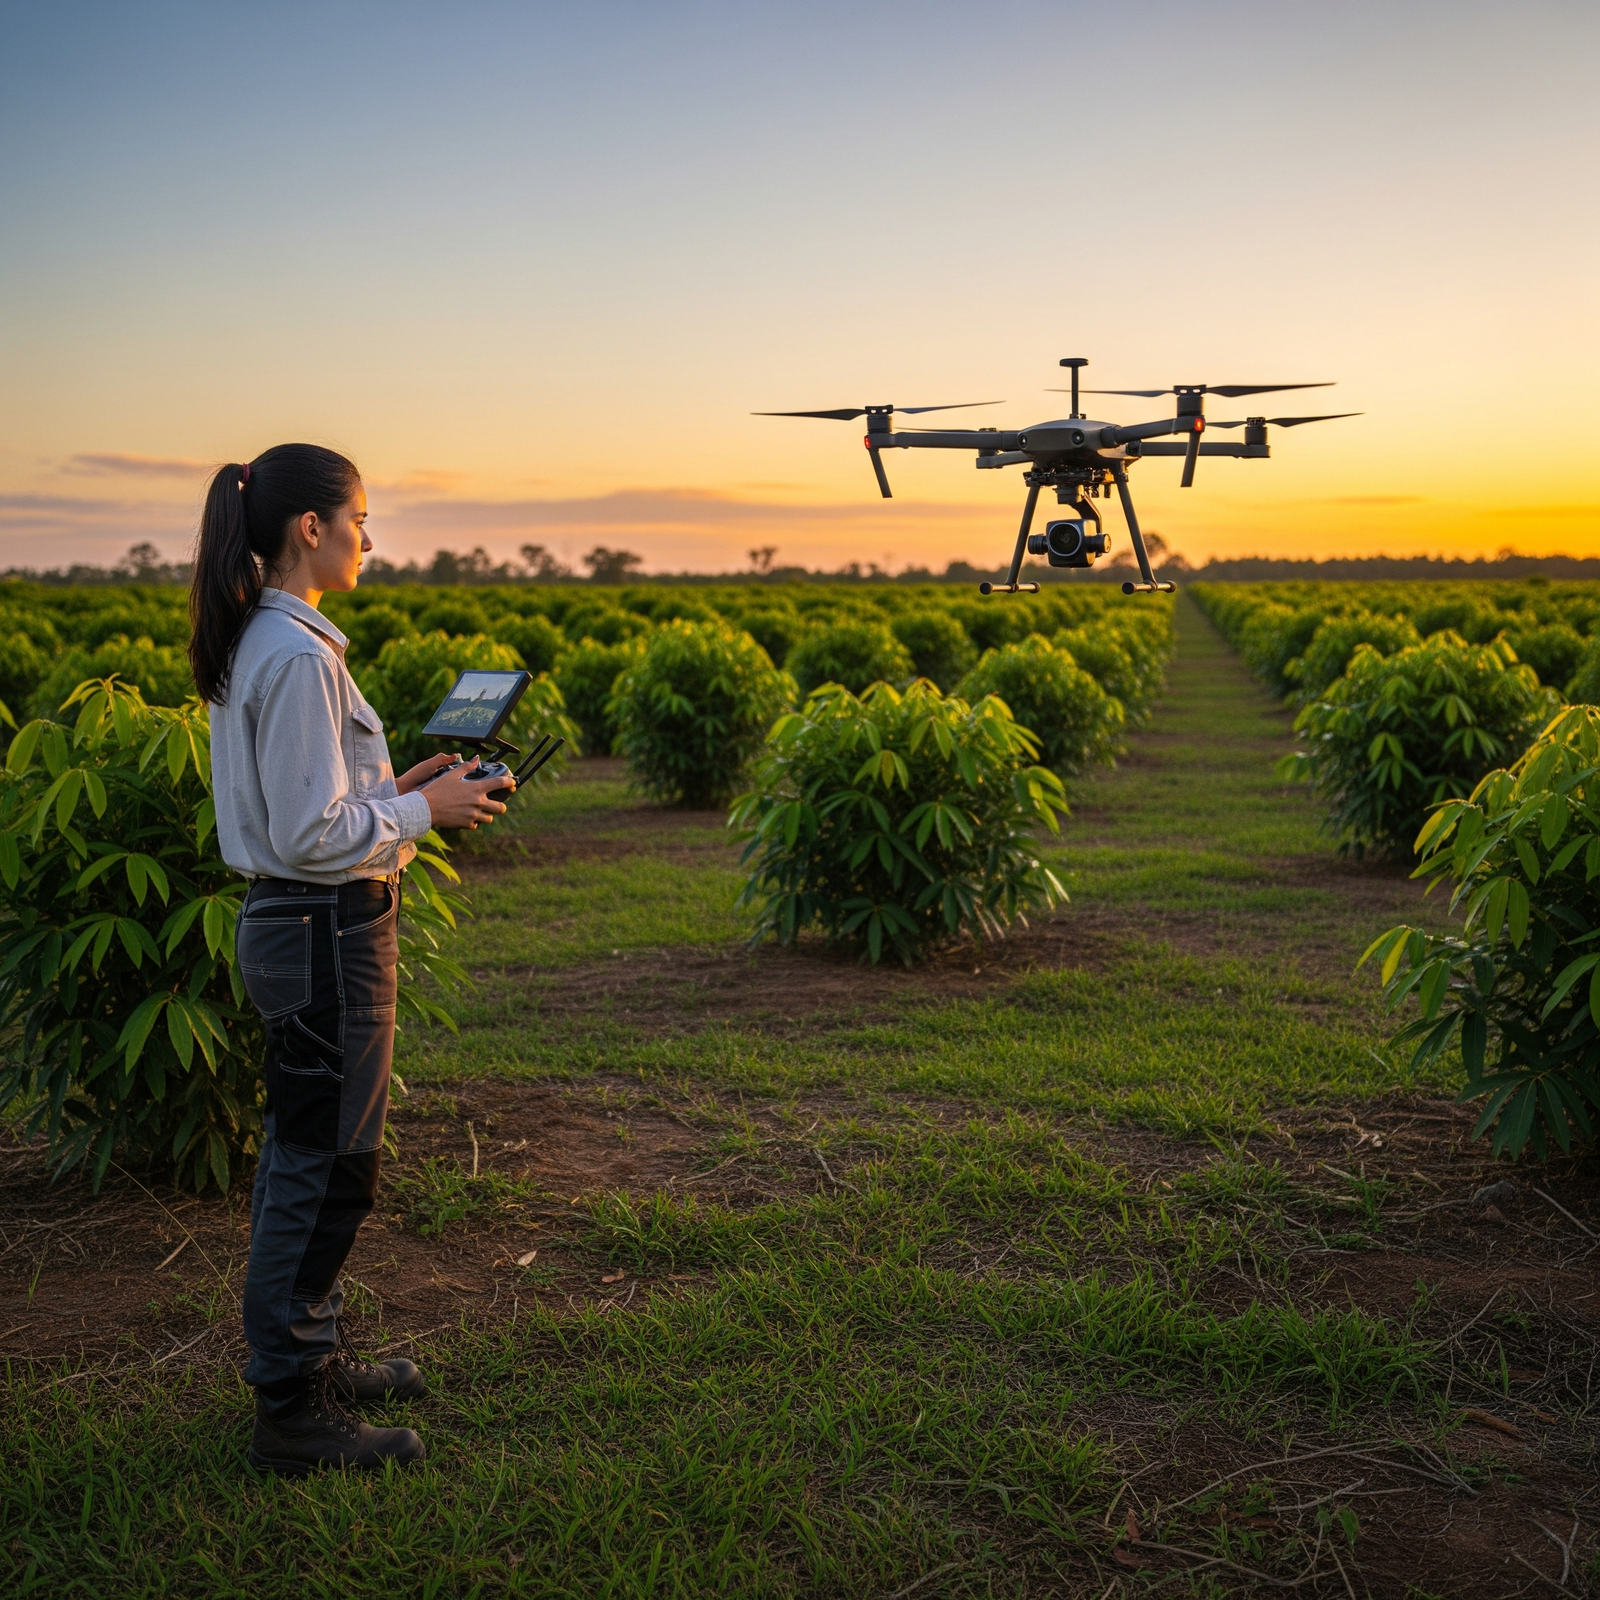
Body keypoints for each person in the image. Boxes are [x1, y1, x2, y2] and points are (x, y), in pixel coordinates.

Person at [190, 444, 512, 1473]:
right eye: (360, 518)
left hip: (315, 925)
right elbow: (309, 833)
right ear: (311, 529)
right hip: (320, 929)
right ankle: (289, 1405)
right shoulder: (291, 654)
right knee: (319, 1164)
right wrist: (425, 807)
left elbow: (319, 812)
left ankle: (310, 1353)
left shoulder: (281, 641)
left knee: (330, 1160)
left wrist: (404, 792)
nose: (371, 537)